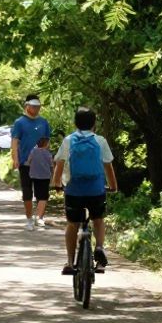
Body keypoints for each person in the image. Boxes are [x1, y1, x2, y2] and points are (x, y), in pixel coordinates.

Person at [50, 106, 118, 276]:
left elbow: (59, 164)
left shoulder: (68, 140)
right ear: (94, 123)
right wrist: (113, 186)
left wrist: (56, 184)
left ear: (75, 123)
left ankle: (70, 261)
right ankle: (99, 252)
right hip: (96, 190)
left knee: (72, 224)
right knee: (98, 220)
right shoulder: (100, 141)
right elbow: (108, 166)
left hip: (74, 191)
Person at [10, 94, 52, 230]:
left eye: (38, 106)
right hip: (25, 163)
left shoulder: (44, 122)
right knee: (27, 192)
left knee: (43, 193)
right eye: (33, 106)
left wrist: (48, 158)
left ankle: (39, 218)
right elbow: (15, 142)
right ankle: (29, 219)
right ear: (27, 106)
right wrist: (15, 159)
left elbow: (47, 142)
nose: (36, 109)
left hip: (41, 164)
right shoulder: (19, 122)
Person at [24, 135, 54, 227]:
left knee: (38, 196)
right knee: (43, 197)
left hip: (34, 177)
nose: (49, 144)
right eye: (48, 143)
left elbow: (28, 162)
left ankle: (39, 216)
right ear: (46, 144)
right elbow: (51, 166)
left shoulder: (33, 151)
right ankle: (39, 218)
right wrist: (53, 176)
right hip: (45, 177)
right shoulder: (48, 154)